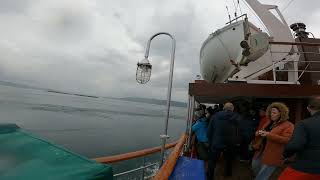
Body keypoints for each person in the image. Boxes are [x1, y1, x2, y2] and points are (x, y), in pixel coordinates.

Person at [279, 97, 320, 180]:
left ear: (308, 108)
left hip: (306, 167)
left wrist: (285, 154)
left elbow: (295, 145)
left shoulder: (304, 124)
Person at [251, 102, 294, 180]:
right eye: (271, 112)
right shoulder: (269, 122)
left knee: (262, 176)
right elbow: (263, 132)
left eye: (274, 112)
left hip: (273, 154)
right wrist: (258, 133)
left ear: (281, 113)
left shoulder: (288, 125)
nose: (271, 114)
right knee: (255, 166)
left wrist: (268, 135)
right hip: (261, 151)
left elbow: (287, 140)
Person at [207, 102, 239, 180]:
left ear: (223, 108)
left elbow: (209, 131)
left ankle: (210, 176)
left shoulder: (215, 116)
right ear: (233, 109)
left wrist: (210, 142)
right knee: (229, 160)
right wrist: (236, 141)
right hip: (230, 143)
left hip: (217, 142)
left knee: (212, 161)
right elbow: (238, 131)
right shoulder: (237, 117)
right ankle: (228, 173)